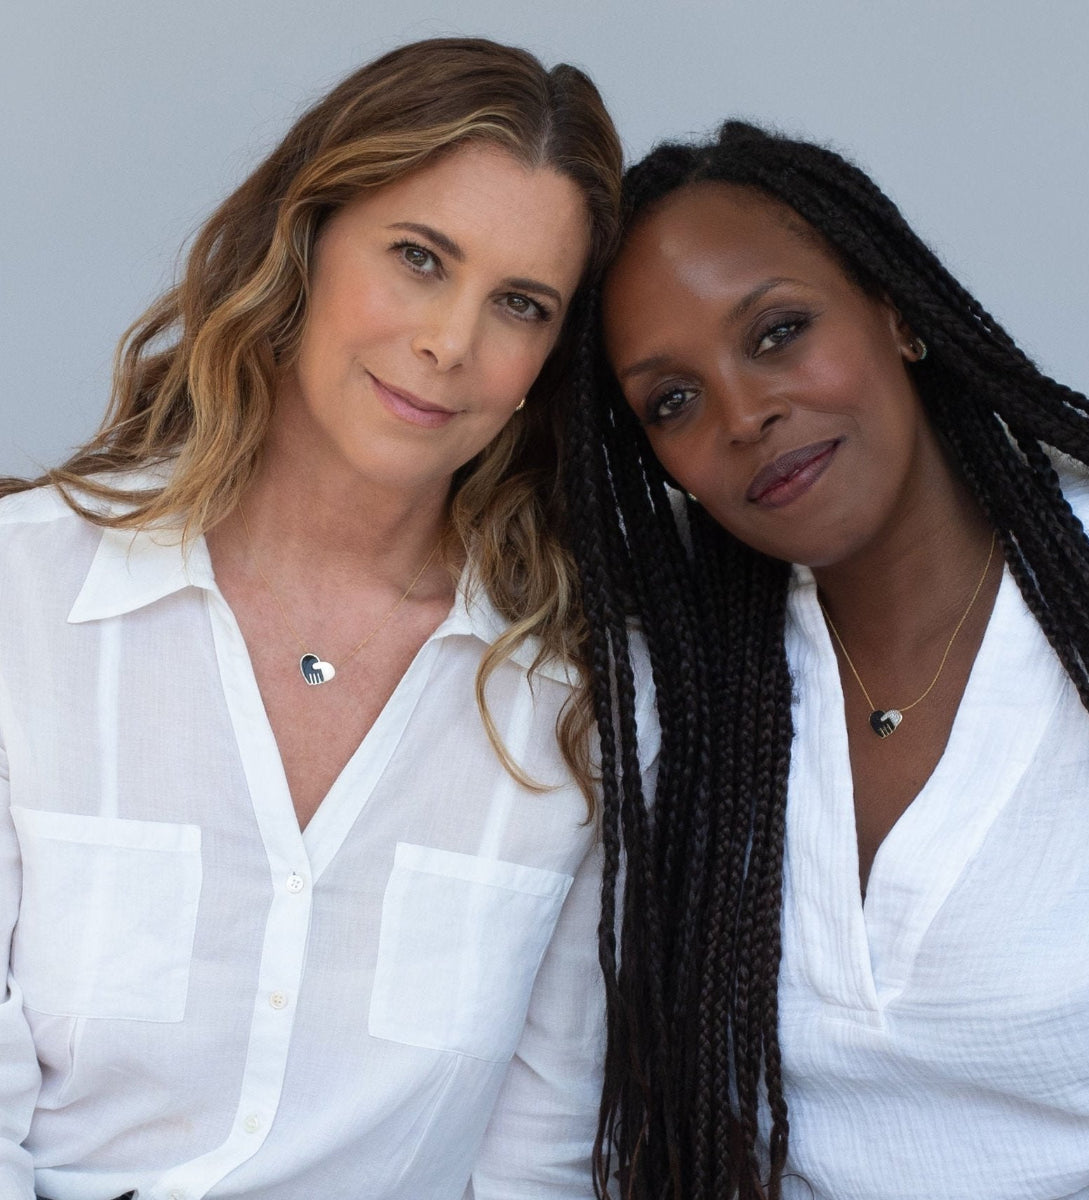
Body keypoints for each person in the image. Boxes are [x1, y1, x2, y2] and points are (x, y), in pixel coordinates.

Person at [0, 37, 630, 1200]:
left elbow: (537, 1160)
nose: (450, 342)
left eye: (522, 304)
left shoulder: (575, 698)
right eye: (418, 257)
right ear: (302, 246)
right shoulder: (22, 601)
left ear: (554, 357)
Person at [567, 121, 1089, 1198]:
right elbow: (579, 1129)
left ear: (896, 312)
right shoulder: (669, 680)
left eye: (777, 331)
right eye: (673, 400)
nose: (745, 411)